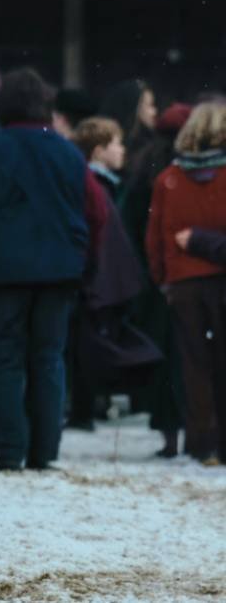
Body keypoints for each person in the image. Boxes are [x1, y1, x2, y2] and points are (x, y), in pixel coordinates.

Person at [0, 68, 107, 470]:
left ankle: (9, 451)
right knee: (49, 358)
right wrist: (86, 262)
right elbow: (97, 212)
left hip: (4, 270)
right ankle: (44, 451)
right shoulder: (67, 151)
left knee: (5, 358)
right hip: (60, 268)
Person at [67, 118, 162, 432]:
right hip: (99, 280)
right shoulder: (96, 186)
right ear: (98, 151)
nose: (122, 150)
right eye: (116, 144)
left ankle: (87, 406)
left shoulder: (102, 184)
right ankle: (85, 407)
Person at [146, 102, 226, 465]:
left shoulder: (168, 179)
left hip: (183, 283)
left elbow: (155, 236)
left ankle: (201, 442)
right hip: (220, 277)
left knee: (194, 365)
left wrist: (163, 278)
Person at [120, 103, 192, 455]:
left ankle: (169, 433)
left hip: (155, 277)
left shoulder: (146, 170)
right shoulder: (181, 175)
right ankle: (199, 431)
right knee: (194, 356)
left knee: (165, 356)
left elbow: (133, 226)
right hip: (189, 273)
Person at [100, 78, 157, 170]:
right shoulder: (115, 143)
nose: (154, 112)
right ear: (135, 107)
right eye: (149, 105)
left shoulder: (150, 147)